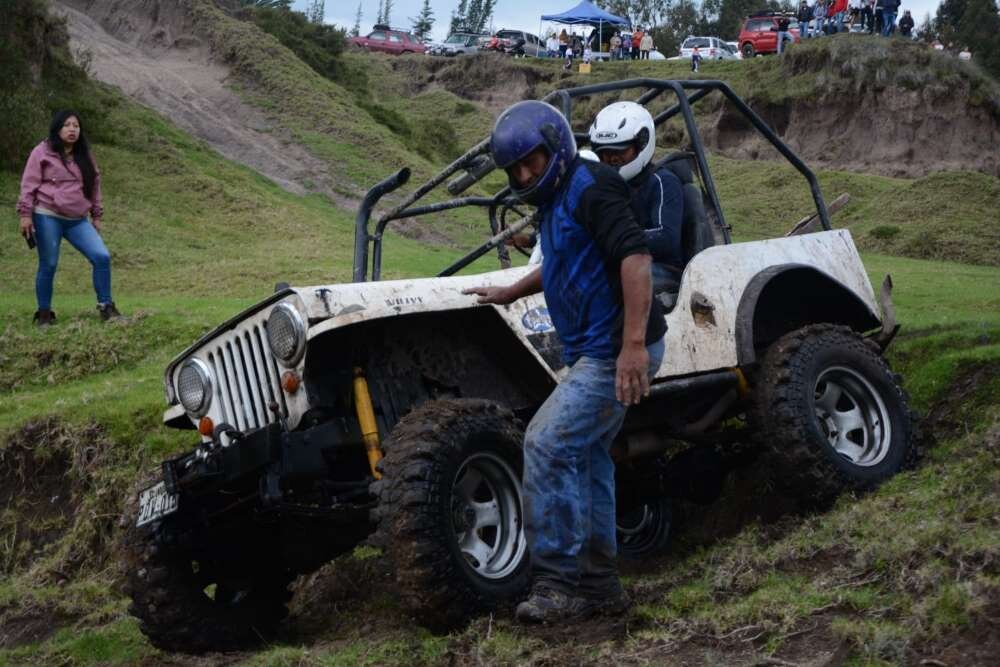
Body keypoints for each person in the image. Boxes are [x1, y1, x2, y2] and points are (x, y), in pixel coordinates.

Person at [464, 100, 666, 623]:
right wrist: (510, 292)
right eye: (515, 170)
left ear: (555, 147)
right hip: (596, 352)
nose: (524, 176)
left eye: (531, 162)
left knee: (546, 442)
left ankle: (557, 583)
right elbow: (560, 260)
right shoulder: (556, 201)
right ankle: (599, 586)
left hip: (614, 351)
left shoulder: (591, 186)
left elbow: (636, 258)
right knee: (589, 456)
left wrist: (633, 347)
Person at [17, 110, 121, 326]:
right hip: (47, 215)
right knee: (49, 263)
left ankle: (106, 307)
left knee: (101, 256)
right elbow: (28, 183)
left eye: (76, 125)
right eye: (67, 125)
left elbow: (94, 185)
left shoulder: (85, 154)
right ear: (57, 128)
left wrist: (96, 215)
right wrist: (25, 214)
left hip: (78, 219)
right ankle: (44, 314)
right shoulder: (42, 151)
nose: (72, 129)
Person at [589, 101, 685, 294]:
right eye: (604, 153)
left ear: (641, 145)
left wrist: (613, 241)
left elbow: (666, 237)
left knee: (603, 283)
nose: (611, 159)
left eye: (619, 151)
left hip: (663, 269)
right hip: (621, 265)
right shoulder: (604, 186)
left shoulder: (662, 182)